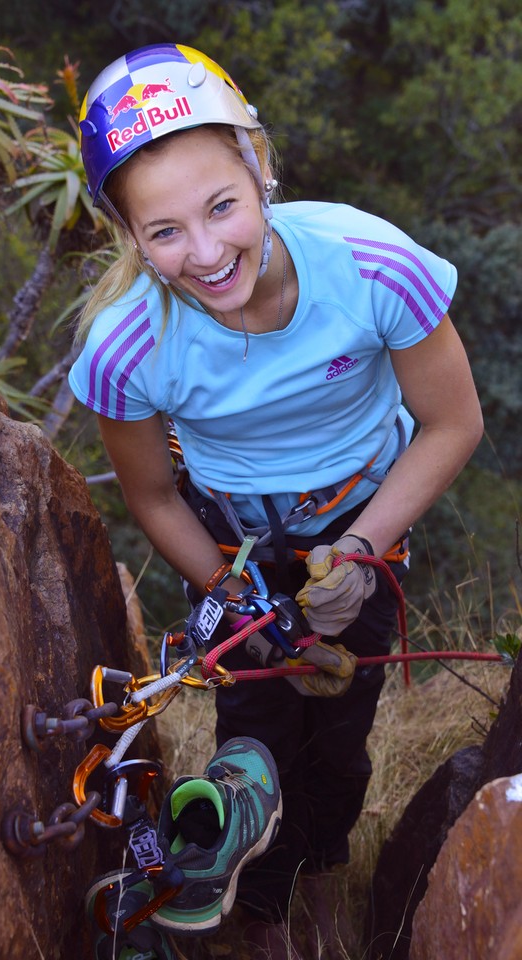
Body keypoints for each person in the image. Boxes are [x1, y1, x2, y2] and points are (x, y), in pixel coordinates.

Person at [69, 43, 483, 959]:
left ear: (260, 170)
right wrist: (239, 593)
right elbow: (152, 495)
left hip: (362, 514)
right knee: (254, 720)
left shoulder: (374, 266)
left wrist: (364, 549)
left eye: (222, 206)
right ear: (127, 235)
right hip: (231, 542)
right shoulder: (126, 347)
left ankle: (317, 872)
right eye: (164, 230)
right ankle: (251, 900)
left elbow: (452, 424)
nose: (207, 253)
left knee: (342, 722)